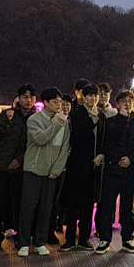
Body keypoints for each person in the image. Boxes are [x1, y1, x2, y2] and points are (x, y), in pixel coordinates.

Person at [18, 87, 70, 257]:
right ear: (46, 102)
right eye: (55, 101)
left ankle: (40, 242)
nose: (58, 105)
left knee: (46, 208)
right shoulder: (34, 120)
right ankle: (24, 242)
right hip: (33, 170)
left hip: (52, 172)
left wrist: (57, 169)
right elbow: (40, 139)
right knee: (28, 207)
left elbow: (64, 148)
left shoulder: (64, 122)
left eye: (60, 102)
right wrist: (57, 123)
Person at [94, 89, 134, 254]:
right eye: (123, 101)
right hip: (112, 170)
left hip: (130, 171)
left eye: (130, 101)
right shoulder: (111, 121)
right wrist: (122, 119)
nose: (127, 104)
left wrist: (131, 158)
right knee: (107, 205)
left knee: (127, 207)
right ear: (117, 104)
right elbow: (111, 138)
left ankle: (127, 239)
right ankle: (105, 239)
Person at [0, 84, 37, 250]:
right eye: (24, 97)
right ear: (18, 99)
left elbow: (34, 144)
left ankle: (18, 236)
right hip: (1, 166)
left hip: (21, 169)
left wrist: (20, 160)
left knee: (19, 204)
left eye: (31, 97)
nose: (28, 100)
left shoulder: (36, 118)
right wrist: (6, 121)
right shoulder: (8, 114)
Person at [60, 84, 105, 252]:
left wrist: (102, 155)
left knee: (88, 204)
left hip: (94, 165)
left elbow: (102, 139)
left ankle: (84, 239)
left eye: (96, 96)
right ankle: (70, 239)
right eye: (90, 96)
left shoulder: (101, 115)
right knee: (73, 204)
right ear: (83, 97)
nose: (93, 99)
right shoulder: (77, 113)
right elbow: (79, 135)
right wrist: (92, 120)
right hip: (78, 164)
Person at [47, 94, 73, 245]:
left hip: (64, 166)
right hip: (50, 165)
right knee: (48, 200)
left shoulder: (70, 122)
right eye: (61, 103)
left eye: (67, 104)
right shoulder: (52, 120)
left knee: (57, 199)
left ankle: (53, 228)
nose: (64, 107)